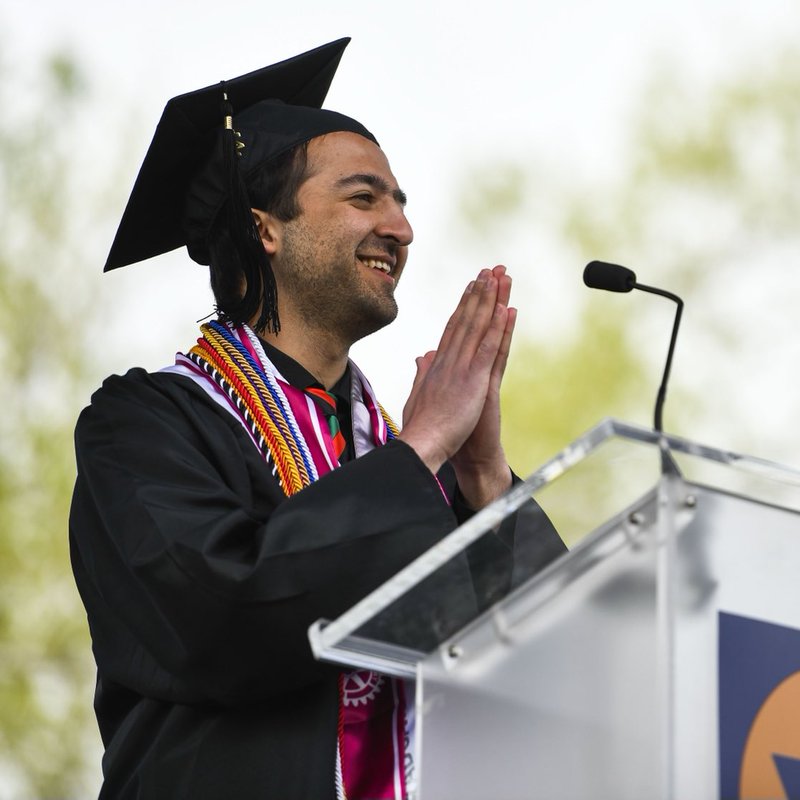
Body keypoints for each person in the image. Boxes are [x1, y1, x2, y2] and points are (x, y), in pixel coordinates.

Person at [69, 39, 565, 799]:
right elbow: (222, 618)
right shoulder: (145, 427)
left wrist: (483, 476)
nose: (400, 228)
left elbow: (560, 671)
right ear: (266, 228)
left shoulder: (409, 464)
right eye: (364, 198)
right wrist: (424, 446)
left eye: (400, 203)